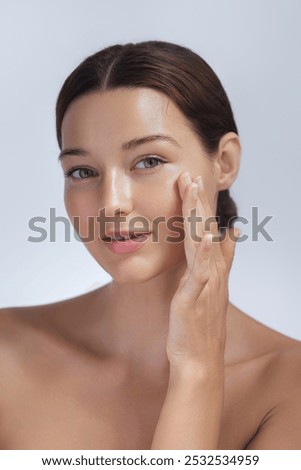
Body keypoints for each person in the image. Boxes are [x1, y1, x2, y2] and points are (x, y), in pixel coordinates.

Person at [0, 40, 301, 450]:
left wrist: (196, 371)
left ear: (224, 162)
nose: (111, 203)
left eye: (148, 161)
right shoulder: (7, 350)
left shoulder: (288, 386)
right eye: (83, 170)